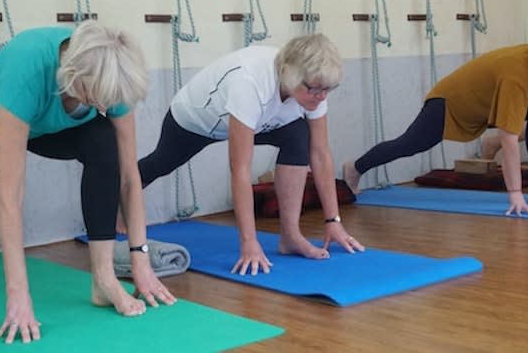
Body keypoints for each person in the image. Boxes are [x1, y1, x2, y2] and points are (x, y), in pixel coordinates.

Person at [0, 20, 176, 344]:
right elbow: (11, 197)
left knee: (103, 141)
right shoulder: (27, 69)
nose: (104, 107)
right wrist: (18, 295)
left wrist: (139, 260)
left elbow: (129, 178)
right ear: (73, 77)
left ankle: (103, 279)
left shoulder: (111, 72)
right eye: (97, 98)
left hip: (47, 127)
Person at [138, 33, 365, 276]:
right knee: (160, 163)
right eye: (315, 90)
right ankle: (122, 193)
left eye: (327, 89)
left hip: (259, 121)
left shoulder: (313, 87)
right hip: (197, 121)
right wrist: (249, 242)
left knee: (299, 135)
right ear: (289, 74)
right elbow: (241, 170)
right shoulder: (249, 81)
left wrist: (333, 221)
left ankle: (290, 237)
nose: (321, 97)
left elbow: (320, 154)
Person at [343, 39, 528, 216]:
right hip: (450, 102)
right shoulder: (516, 77)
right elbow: (509, 141)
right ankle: (356, 167)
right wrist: (515, 194)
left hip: (482, 101)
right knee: (409, 144)